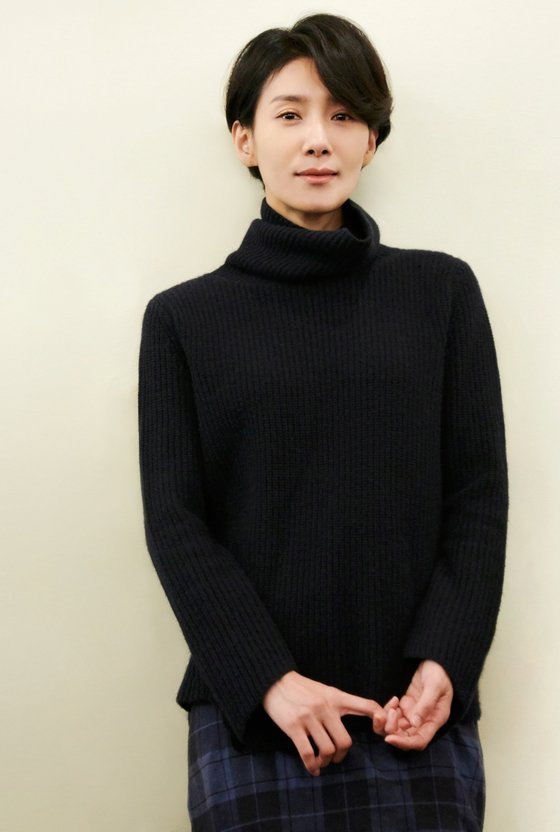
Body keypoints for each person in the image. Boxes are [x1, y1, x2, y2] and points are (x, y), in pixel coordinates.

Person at [137, 12, 508, 831]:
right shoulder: (183, 320)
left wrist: (447, 658)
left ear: (370, 140)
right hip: (258, 714)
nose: (318, 139)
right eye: (290, 113)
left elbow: (478, 496)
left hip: (415, 713)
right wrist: (269, 679)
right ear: (244, 139)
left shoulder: (441, 293)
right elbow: (176, 522)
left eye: (344, 115)